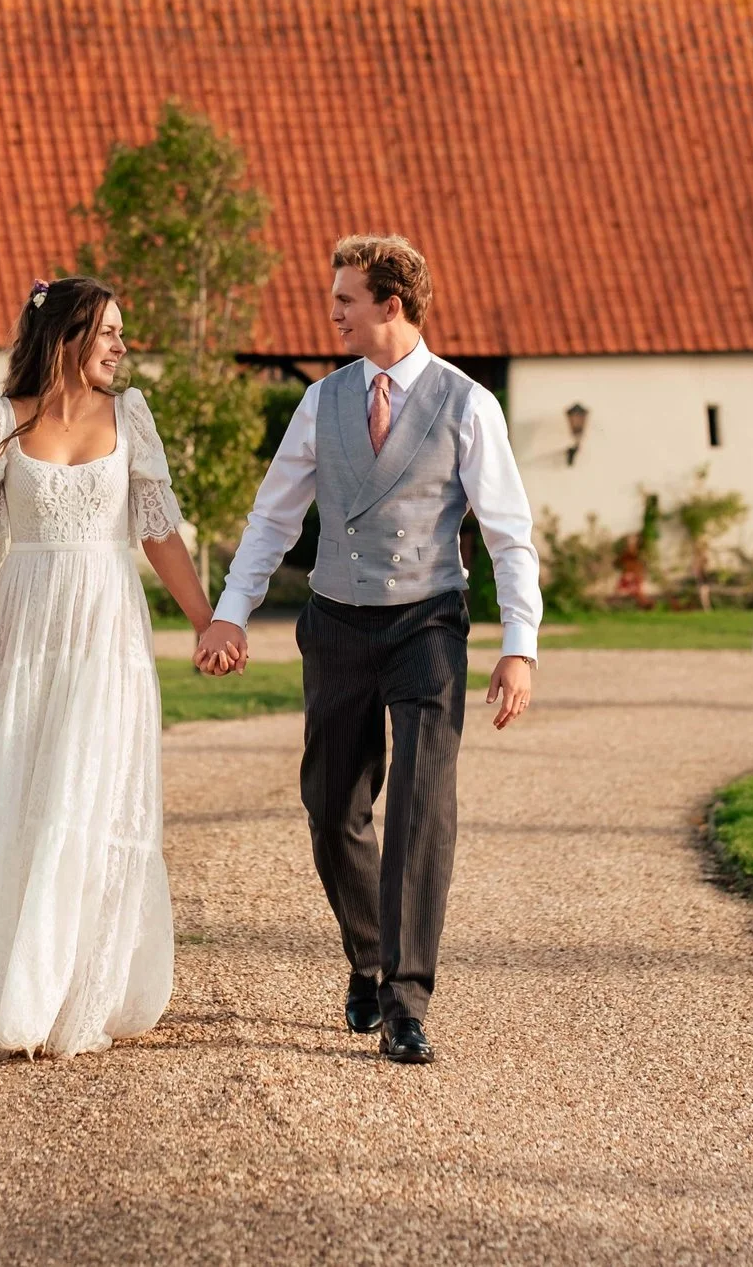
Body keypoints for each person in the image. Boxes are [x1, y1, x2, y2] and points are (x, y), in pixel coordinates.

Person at [195, 235, 540, 1065]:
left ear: (392, 303)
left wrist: (518, 642)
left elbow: (507, 531)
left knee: (423, 809)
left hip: (427, 624)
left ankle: (405, 1000)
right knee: (332, 807)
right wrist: (232, 610)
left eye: (345, 297)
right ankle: (370, 954)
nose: (333, 311)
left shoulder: (468, 404)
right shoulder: (321, 402)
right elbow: (274, 515)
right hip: (337, 625)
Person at [0, 277, 210, 1061]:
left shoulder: (130, 416)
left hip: (107, 624)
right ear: (68, 335)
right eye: (107, 332)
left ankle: (79, 992)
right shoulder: (0, 417)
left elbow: (159, 530)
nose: (119, 346)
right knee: (22, 789)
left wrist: (208, 620)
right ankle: (10, 990)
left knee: (91, 793)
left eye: (121, 334)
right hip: (28, 624)